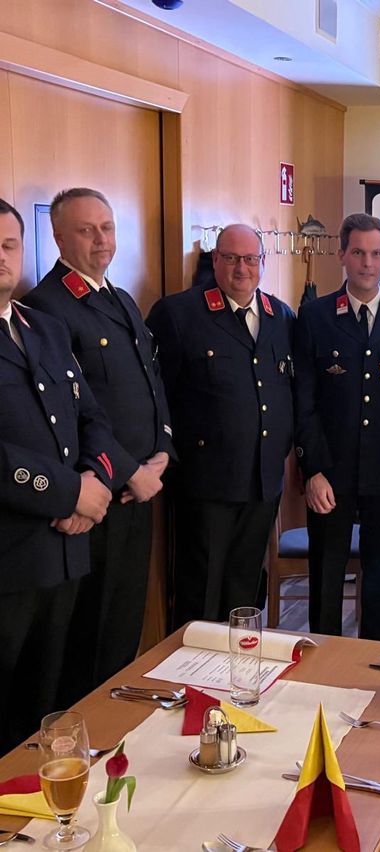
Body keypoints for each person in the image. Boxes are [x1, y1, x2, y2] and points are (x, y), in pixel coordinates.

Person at [23, 187, 173, 699]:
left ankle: (115, 734)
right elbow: (77, 412)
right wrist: (128, 469)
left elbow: (152, 385)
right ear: (59, 236)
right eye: (86, 230)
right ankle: (87, 742)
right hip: (99, 493)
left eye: (106, 228)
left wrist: (163, 452)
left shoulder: (119, 296)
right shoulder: (47, 307)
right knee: (93, 634)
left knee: (124, 625)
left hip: (139, 487)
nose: (100, 240)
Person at [0, 198, 116, 750]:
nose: (1, 257)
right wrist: (71, 492)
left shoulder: (40, 326)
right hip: (10, 555)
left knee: (48, 706)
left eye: (8, 246)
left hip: (66, 552)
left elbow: (88, 414)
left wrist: (95, 479)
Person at [294, 213, 380, 640]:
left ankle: (370, 662)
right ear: (342, 256)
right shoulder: (316, 316)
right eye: (358, 252)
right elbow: (304, 401)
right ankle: (322, 662)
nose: (367, 262)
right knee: (326, 576)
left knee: (378, 578)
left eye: (376, 253)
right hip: (330, 472)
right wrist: (311, 470)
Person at [147, 224, 295, 626]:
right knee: (201, 591)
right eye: (231, 258)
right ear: (216, 261)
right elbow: (157, 396)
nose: (241, 268)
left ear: (262, 263)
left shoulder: (280, 315)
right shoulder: (178, 314)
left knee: (245, 588)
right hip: (205, 482)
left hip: (262, 481)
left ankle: (238, 673)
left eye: (250, 259)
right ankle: (192, 680)